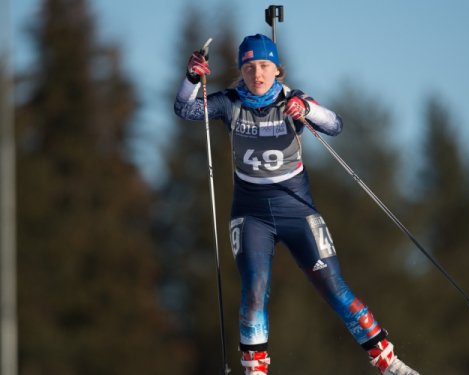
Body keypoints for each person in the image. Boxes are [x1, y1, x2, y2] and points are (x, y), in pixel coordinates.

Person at [174, 34, 419, 375]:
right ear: (241, 71)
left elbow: (334, 125)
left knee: (333, 286)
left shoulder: (291, 98)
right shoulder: (230, 101)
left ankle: (388, 362)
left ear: (277, 69)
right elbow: (185, 109)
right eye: (248, 68)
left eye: (263, 66)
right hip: (251, 214)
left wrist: (307, 110)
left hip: (297, 209)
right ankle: (255, 371)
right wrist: (191, 79)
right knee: (254, 291)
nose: (256, 74)